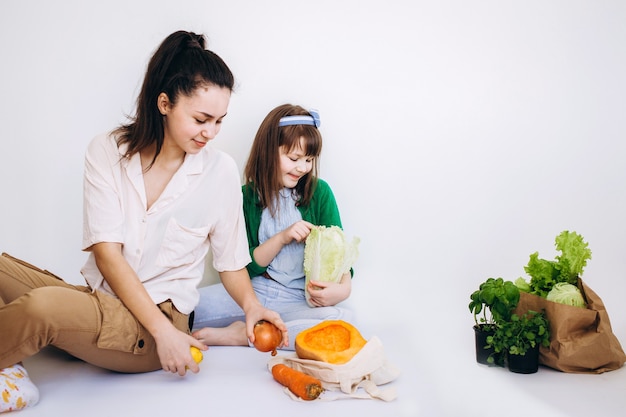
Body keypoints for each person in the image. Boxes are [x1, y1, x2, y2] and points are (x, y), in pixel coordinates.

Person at [0, 30, 286, 413]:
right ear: (164, 103)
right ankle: (11, 359)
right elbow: (107, 255)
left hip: (158, 329)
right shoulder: (107, 150)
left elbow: (231, 261)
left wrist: (250, 308)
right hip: (99, 301)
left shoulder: (219, 171)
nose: (211, 133)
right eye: (201, 119)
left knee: (42, 309)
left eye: (219, 121)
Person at [192, 104, 354, 350]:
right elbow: (246, 266)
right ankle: (260, 327)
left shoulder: (320, 193)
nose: (303, 168)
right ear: (268, 152)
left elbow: (340, 255)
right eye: (294, 158)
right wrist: (282, 237)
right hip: (254, 291)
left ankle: (244, 335)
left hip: (300, 298)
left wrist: (342, 290)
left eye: (309, 160)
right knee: (186, 308)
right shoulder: (246, 197)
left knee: (342, 320)